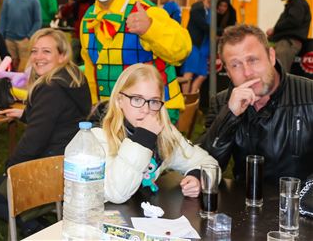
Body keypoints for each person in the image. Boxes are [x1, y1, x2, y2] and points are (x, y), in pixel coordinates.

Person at [0, 28, 91, 236]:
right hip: (70, 162)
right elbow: (59, 119)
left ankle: (39, 230)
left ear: (62, 55)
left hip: (52, 170)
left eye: (46, 51)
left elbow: (34, 141)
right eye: (35, 51)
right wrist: (23, 115)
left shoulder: (50, 88)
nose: (38, 57)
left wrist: (11, 169)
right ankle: (40, 219)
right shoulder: (74, 78)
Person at [79, 0, 190, 123]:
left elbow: (182, 50)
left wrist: (150, 29)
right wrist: (95, 104)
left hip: (154, 114)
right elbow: (91, 69)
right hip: (112, 113)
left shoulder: (146, 11)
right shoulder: (89, 19)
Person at [90, 63, 219, 203]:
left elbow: (207, 163)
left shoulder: (163, 133)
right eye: (137, 99)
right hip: (101, 218)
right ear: (119, 100)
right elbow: (116, 193)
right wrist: (143, 138)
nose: (145, 110)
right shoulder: (99, 135)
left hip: (143, 215)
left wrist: (197, 177)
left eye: (153, 101)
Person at [200, 24, 313, 182]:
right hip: (245, 203)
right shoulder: (221, 103)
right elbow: (203, 167)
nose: (247, 72)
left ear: (271, 57)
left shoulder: (309, 95)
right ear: (227, 71)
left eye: (252, 60)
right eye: (235, 65)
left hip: (298, 203)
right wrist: (229, 115)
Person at [0, 0, 41, 71]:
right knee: (9, 69)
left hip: (25, 41)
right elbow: (3, 19)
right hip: (9, 40)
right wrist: (1, 37)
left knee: (23, 70)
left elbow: (37, 21)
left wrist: (29, 36)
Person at [267, 0, 311, 73]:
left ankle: (282, 88)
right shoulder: (294, 3)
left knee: (280, 73)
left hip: (288, 43)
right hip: (284, 42)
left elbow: (293, 21)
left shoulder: (298, 2)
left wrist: (275, 29)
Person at [181, 0, 211, 94]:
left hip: (204, 47)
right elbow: (203, 25)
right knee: (189, 73)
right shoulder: (197, 8)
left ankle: (192, 97)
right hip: (194, 44)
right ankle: (185, 99)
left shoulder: (211, 10)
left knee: (202, 75)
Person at [59, 0, 95, 65]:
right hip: (76, 36)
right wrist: (69, 3)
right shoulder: (76, 3)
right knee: (72, 62)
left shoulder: (94, 3)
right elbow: (63, 14)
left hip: (89, 38)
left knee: (87, 63)